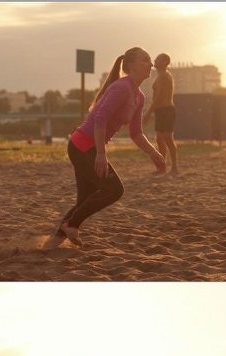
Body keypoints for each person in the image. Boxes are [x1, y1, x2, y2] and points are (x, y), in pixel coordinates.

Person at [46, 48, 164, 249]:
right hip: (83, 146)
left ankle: (52, 243)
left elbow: (136, 133)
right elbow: (100, 118)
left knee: (85, 200)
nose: (150, 65)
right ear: (131, 65)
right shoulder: (122, 87)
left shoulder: (139, 96)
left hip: (88, 146)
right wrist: (101, 154)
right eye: (145, 60)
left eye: (150, 61)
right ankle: (71, 225)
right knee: (115, 190)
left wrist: (153, 152)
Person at [146, 52, 178, 173]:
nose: (155, 60)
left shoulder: (164, 75)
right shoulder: (160, 75)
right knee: (159, 139)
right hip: (160, 110)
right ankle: (162, 166)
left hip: (167, 110)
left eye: (158, 59)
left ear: (164, 62)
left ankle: (174, 166)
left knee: (168, 138)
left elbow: (159, 97)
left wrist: (148, 112)